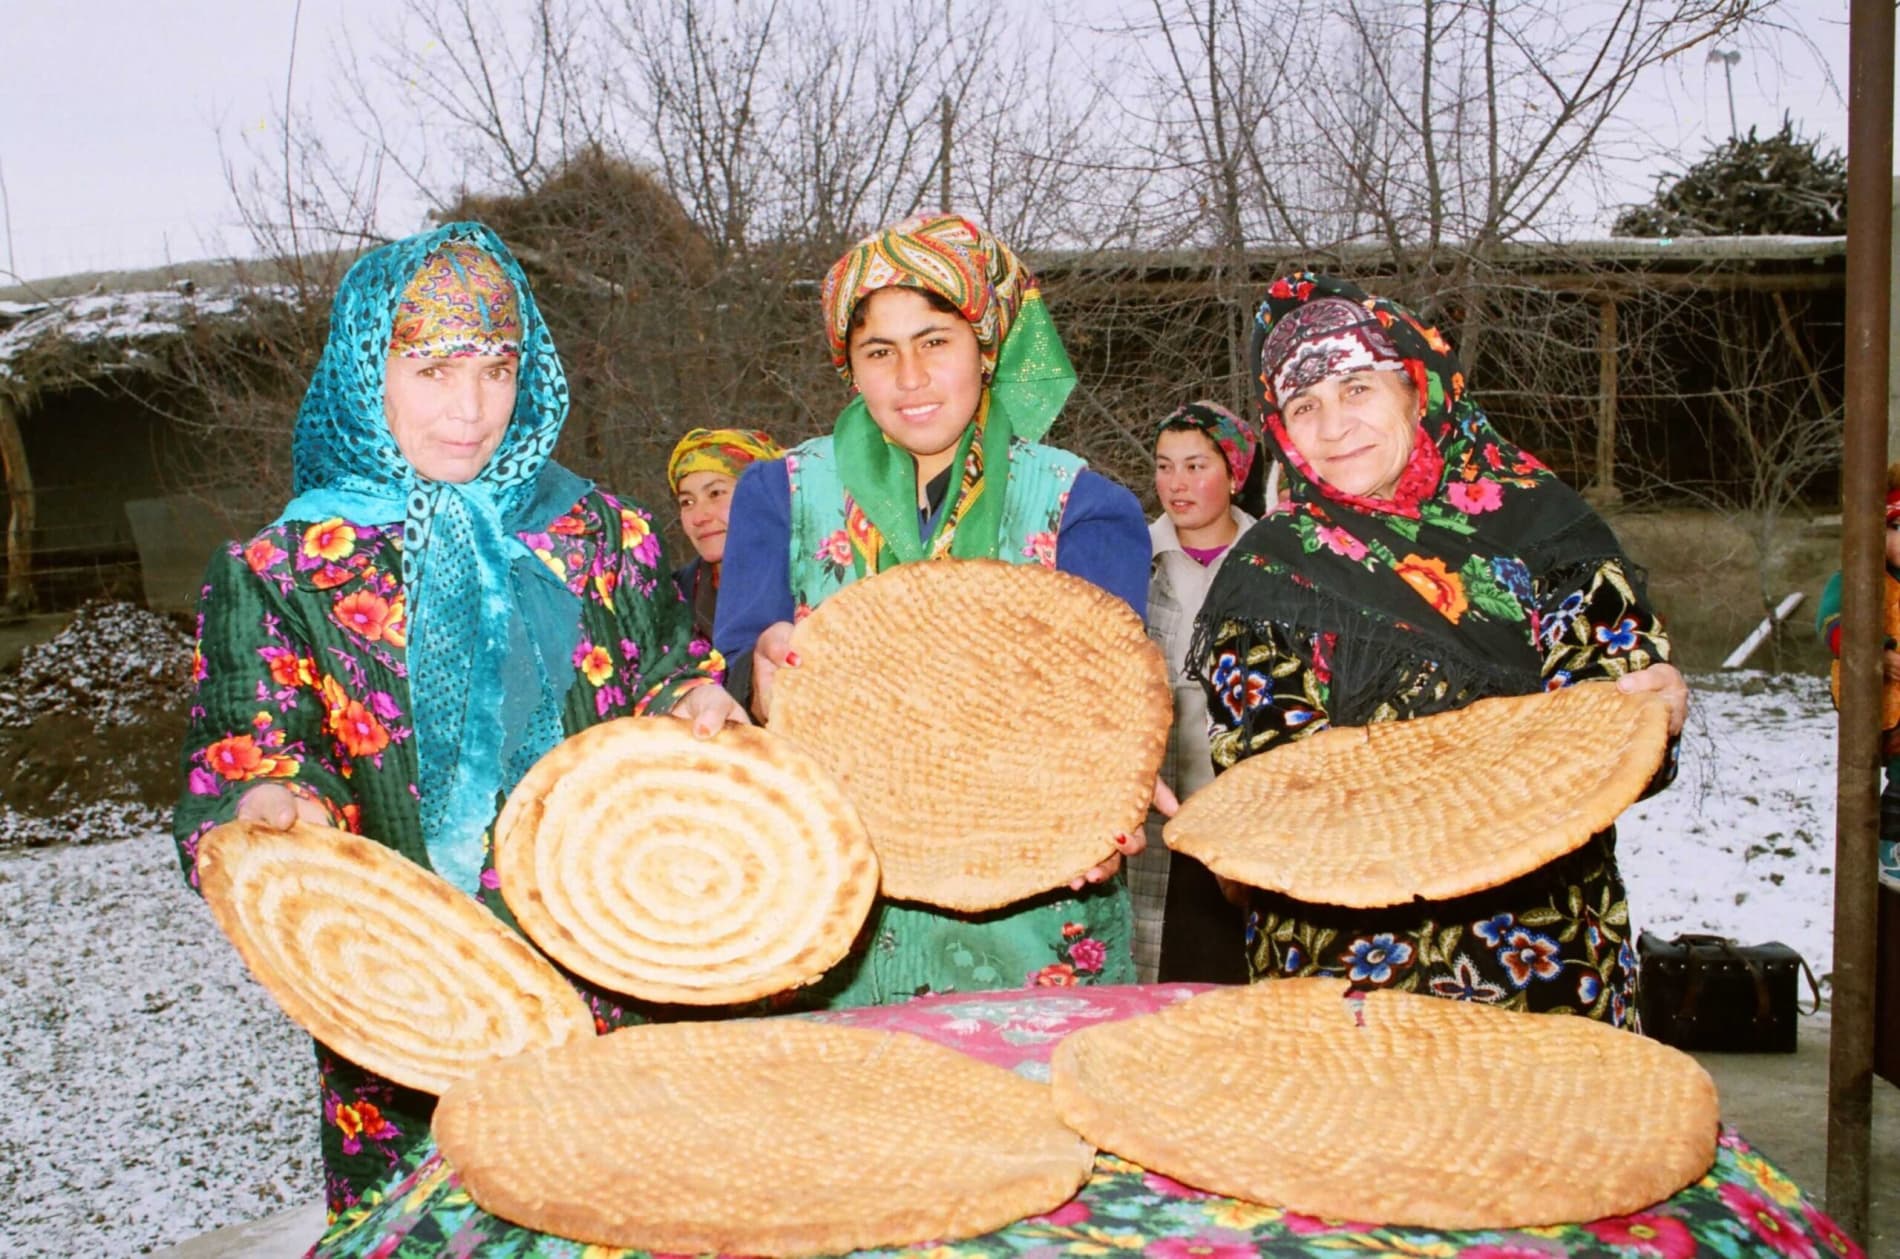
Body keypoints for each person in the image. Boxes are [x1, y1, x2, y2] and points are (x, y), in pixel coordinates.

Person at [171, 223, 746, 1216]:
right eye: (433, 369)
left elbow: (663, 668)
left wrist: (694, 705)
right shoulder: (288, 569)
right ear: (368, 370)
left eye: (496, 367)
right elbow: (252, 738)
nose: (471, 408)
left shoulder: (599, 532)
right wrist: (272, 796)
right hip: (414, 1009)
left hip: (621, 974)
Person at [1191, 274, 1688, 1026]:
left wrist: (1651, 715)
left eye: (1357, 388)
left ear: (1414, 387)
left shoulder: (1537, 524)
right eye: (1304, 405)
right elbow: (1271, 784)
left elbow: (1614, 732)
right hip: (1341, 975)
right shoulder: (1271, 570)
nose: (1333, 426)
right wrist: (1507, 758)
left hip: (1543, 959)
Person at [715, 212, 1155, 1003]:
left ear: (987, 349)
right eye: (879, 351)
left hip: (1034, 925)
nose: (910, 376)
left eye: (936, 341)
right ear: (850, 366)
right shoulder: (780, 495)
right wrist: (754, 672)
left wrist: (1106, 806)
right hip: (834, 929)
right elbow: (737, 665)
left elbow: (1106, 715)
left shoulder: (1080, 507)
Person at [1131, 400, 1258, 983]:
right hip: (1152, 788)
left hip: (1236, 793)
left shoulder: (1270, 563)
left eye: (1195, 466)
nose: (1176, 485)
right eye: (1164, 467)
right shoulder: (1132, 555)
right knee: (1152, 950)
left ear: (1236, 473)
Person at [1814, 461, 1900, 891]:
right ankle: (1892, 847)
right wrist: (1877, 654)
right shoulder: (1860, 579)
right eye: (1897, 529)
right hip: (1877, 699)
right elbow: (1834, 624)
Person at [667, 426, 784, 641]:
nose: (699, 517)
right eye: (687, 502)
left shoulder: (809, 579)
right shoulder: (670, 599)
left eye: (715, 493)